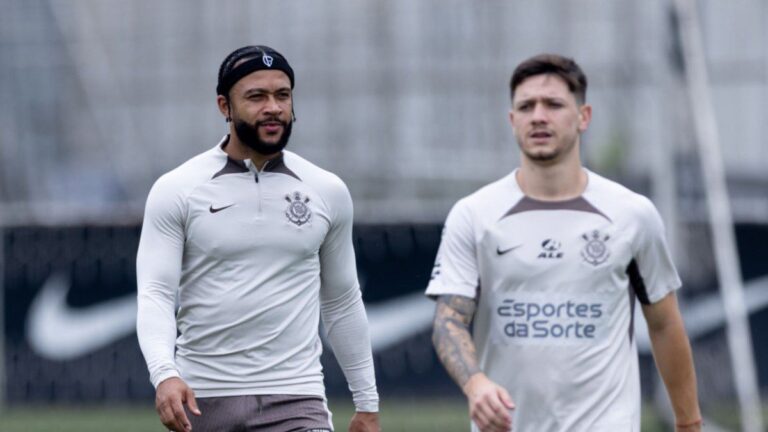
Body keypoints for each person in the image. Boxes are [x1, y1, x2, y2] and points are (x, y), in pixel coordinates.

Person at [426, 54, 701, 432]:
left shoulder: (632, 215)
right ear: (512, 121)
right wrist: (475, 384)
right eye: (526, 106)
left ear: (583, 116)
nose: (539, 116)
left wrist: (689, 423)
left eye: (553, 104)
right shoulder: (474, 214)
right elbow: (449, 319)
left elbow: (665, 324)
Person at [136, 45, 380, 432]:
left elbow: (342, 300)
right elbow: (156, 293)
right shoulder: (178, 189)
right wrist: (164, 374)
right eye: (256, 97)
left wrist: (367, 402)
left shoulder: (326, 190)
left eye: (282, 95)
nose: (273, 108)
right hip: (204, 401)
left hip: (297, 400)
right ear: (224, 106)